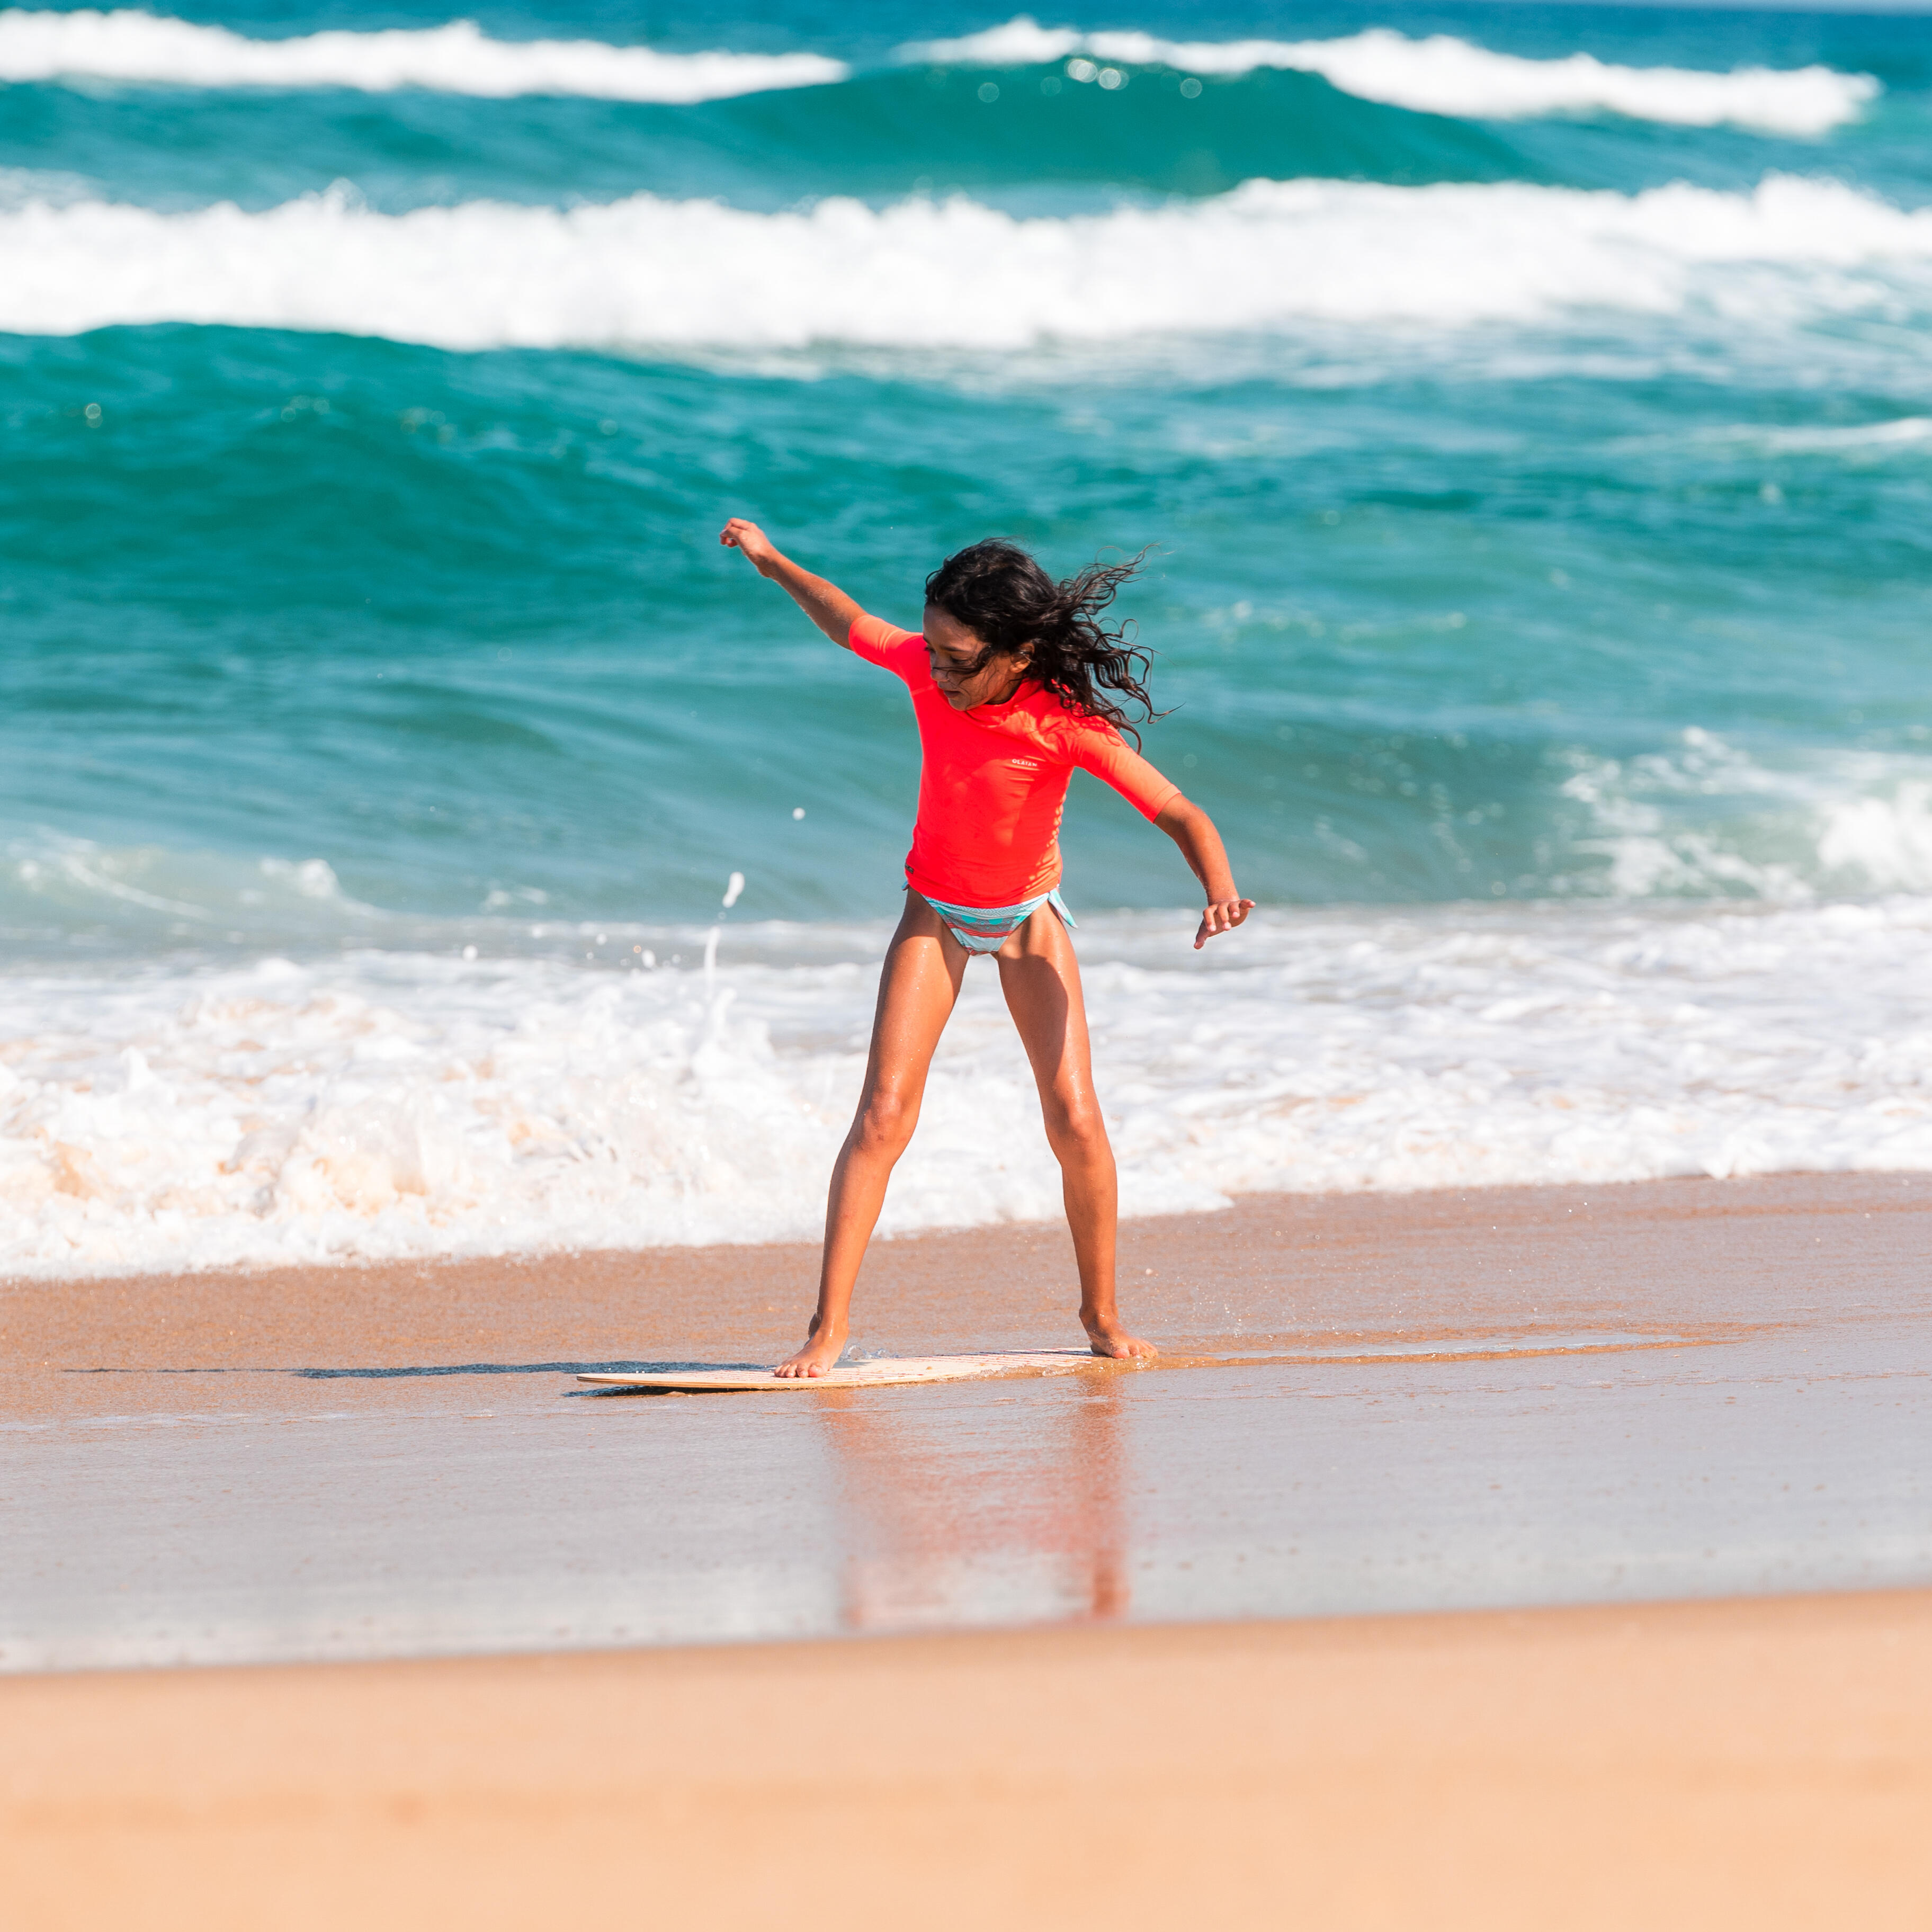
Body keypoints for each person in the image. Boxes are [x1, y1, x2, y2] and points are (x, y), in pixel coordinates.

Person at [719, 519, 1254, 1378]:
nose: (935, 670)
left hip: (1030, 918)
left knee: (1075, 1116)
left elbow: (1181, 813)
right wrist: (774, 562)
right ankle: (827, 1329)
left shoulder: (1064, 725)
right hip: (933, 911)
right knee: (884, 1115)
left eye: (958, 658)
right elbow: (846, 619)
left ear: (1017, 651)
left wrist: (1218, 886)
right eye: (932, 649)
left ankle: (1102, 1313)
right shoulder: (928, 675)